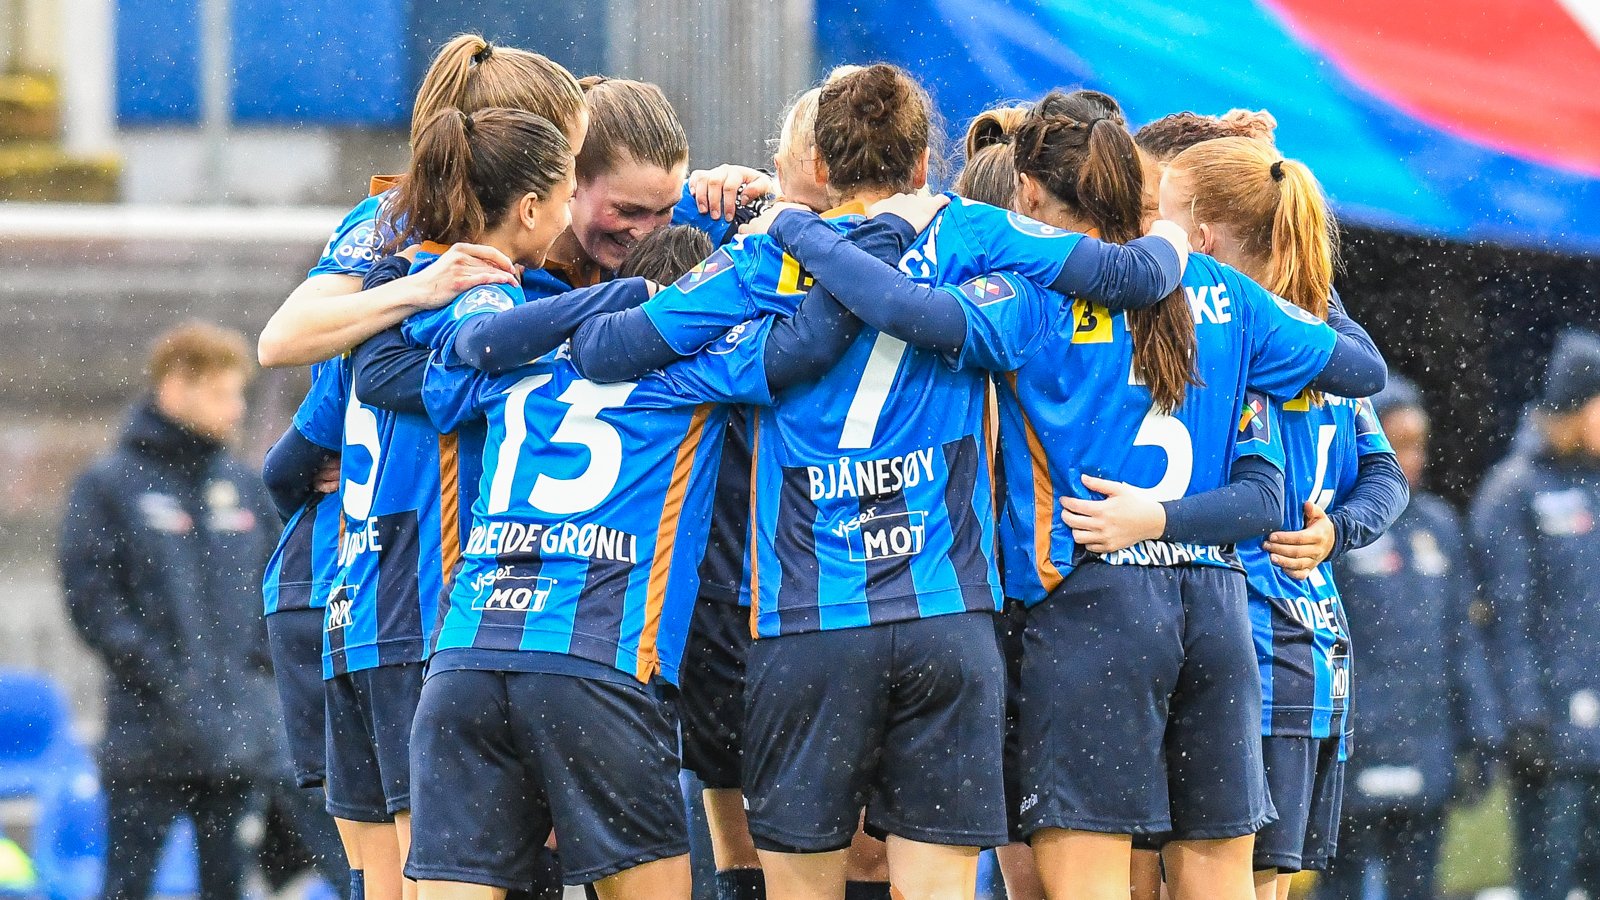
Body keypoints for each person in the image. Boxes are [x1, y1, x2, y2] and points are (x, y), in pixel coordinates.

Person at [755, 87, 1387, 899]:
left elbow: (897, 307)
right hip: (1220, 614)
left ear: (1026, 193)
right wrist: (1289, 245)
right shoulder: (1224, 291)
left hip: (1092, 606)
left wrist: (792, 224)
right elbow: (1360, 370)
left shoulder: (1033, 297)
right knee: (1219, 882)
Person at [587, 69, 1194, 900]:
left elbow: (614, 349)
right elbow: (1128, 278)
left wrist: (744, 351)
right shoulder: (974, 232)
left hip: (811, 622)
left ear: (821, 167)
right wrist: (1174, 234)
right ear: (920, 165)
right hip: (946, 618)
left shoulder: (766, 252)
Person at [1158, 135, 1410, 897]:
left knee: (1209, 879)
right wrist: (1340, 531)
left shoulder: (1250, 346)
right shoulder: (1320, 342)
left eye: (1163, 213)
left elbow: (1288, 490)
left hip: (1253, 645)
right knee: (1258, 884)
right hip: (1315, 651)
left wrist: (1147, 520)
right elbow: (1385, 476)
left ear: (1203, 238)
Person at [60, 323, 281, 900]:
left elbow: (279, 586)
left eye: (239, 394)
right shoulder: (108, 486)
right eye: (221, 393)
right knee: (126, 887)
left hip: (235, 740)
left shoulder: (243, 486)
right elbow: (93, 602)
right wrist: (170, 682)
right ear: (176, 387)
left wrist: (252, 676)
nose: (236, 409)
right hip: (146, 741)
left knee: (227, 888)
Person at [256, 34, 590, 369]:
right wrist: (420, 288)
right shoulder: (396, 218)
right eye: (568, 159)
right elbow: (280, 341)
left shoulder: (516, 234)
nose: (571, 181)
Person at [1317, 375, 1502, 900]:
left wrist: (1482, 735)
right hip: (1355, 746)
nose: (1412, 459)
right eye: (1398, 445)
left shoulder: (1440, 527)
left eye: (1419, 445)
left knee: (1418, 884)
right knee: (1341, 882)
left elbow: (1462, 642)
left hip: (1426, 742)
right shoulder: (1333, 527)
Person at [1471, 329, 1600, 900]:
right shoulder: (1513, 491)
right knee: (1548, 880)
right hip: (1554, 741)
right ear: (1576, 406)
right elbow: (1504, 620)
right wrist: (1525, 721)